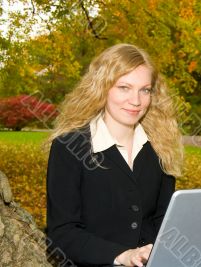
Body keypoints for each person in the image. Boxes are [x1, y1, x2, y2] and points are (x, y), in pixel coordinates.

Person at [45, 43, 184, 266]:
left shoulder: (161, 147)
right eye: (124, 87)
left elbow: (163, 223)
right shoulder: (68, 147)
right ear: (102, 87)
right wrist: (123, 256)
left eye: (145, 90)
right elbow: (62, 234)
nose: (136, 101)